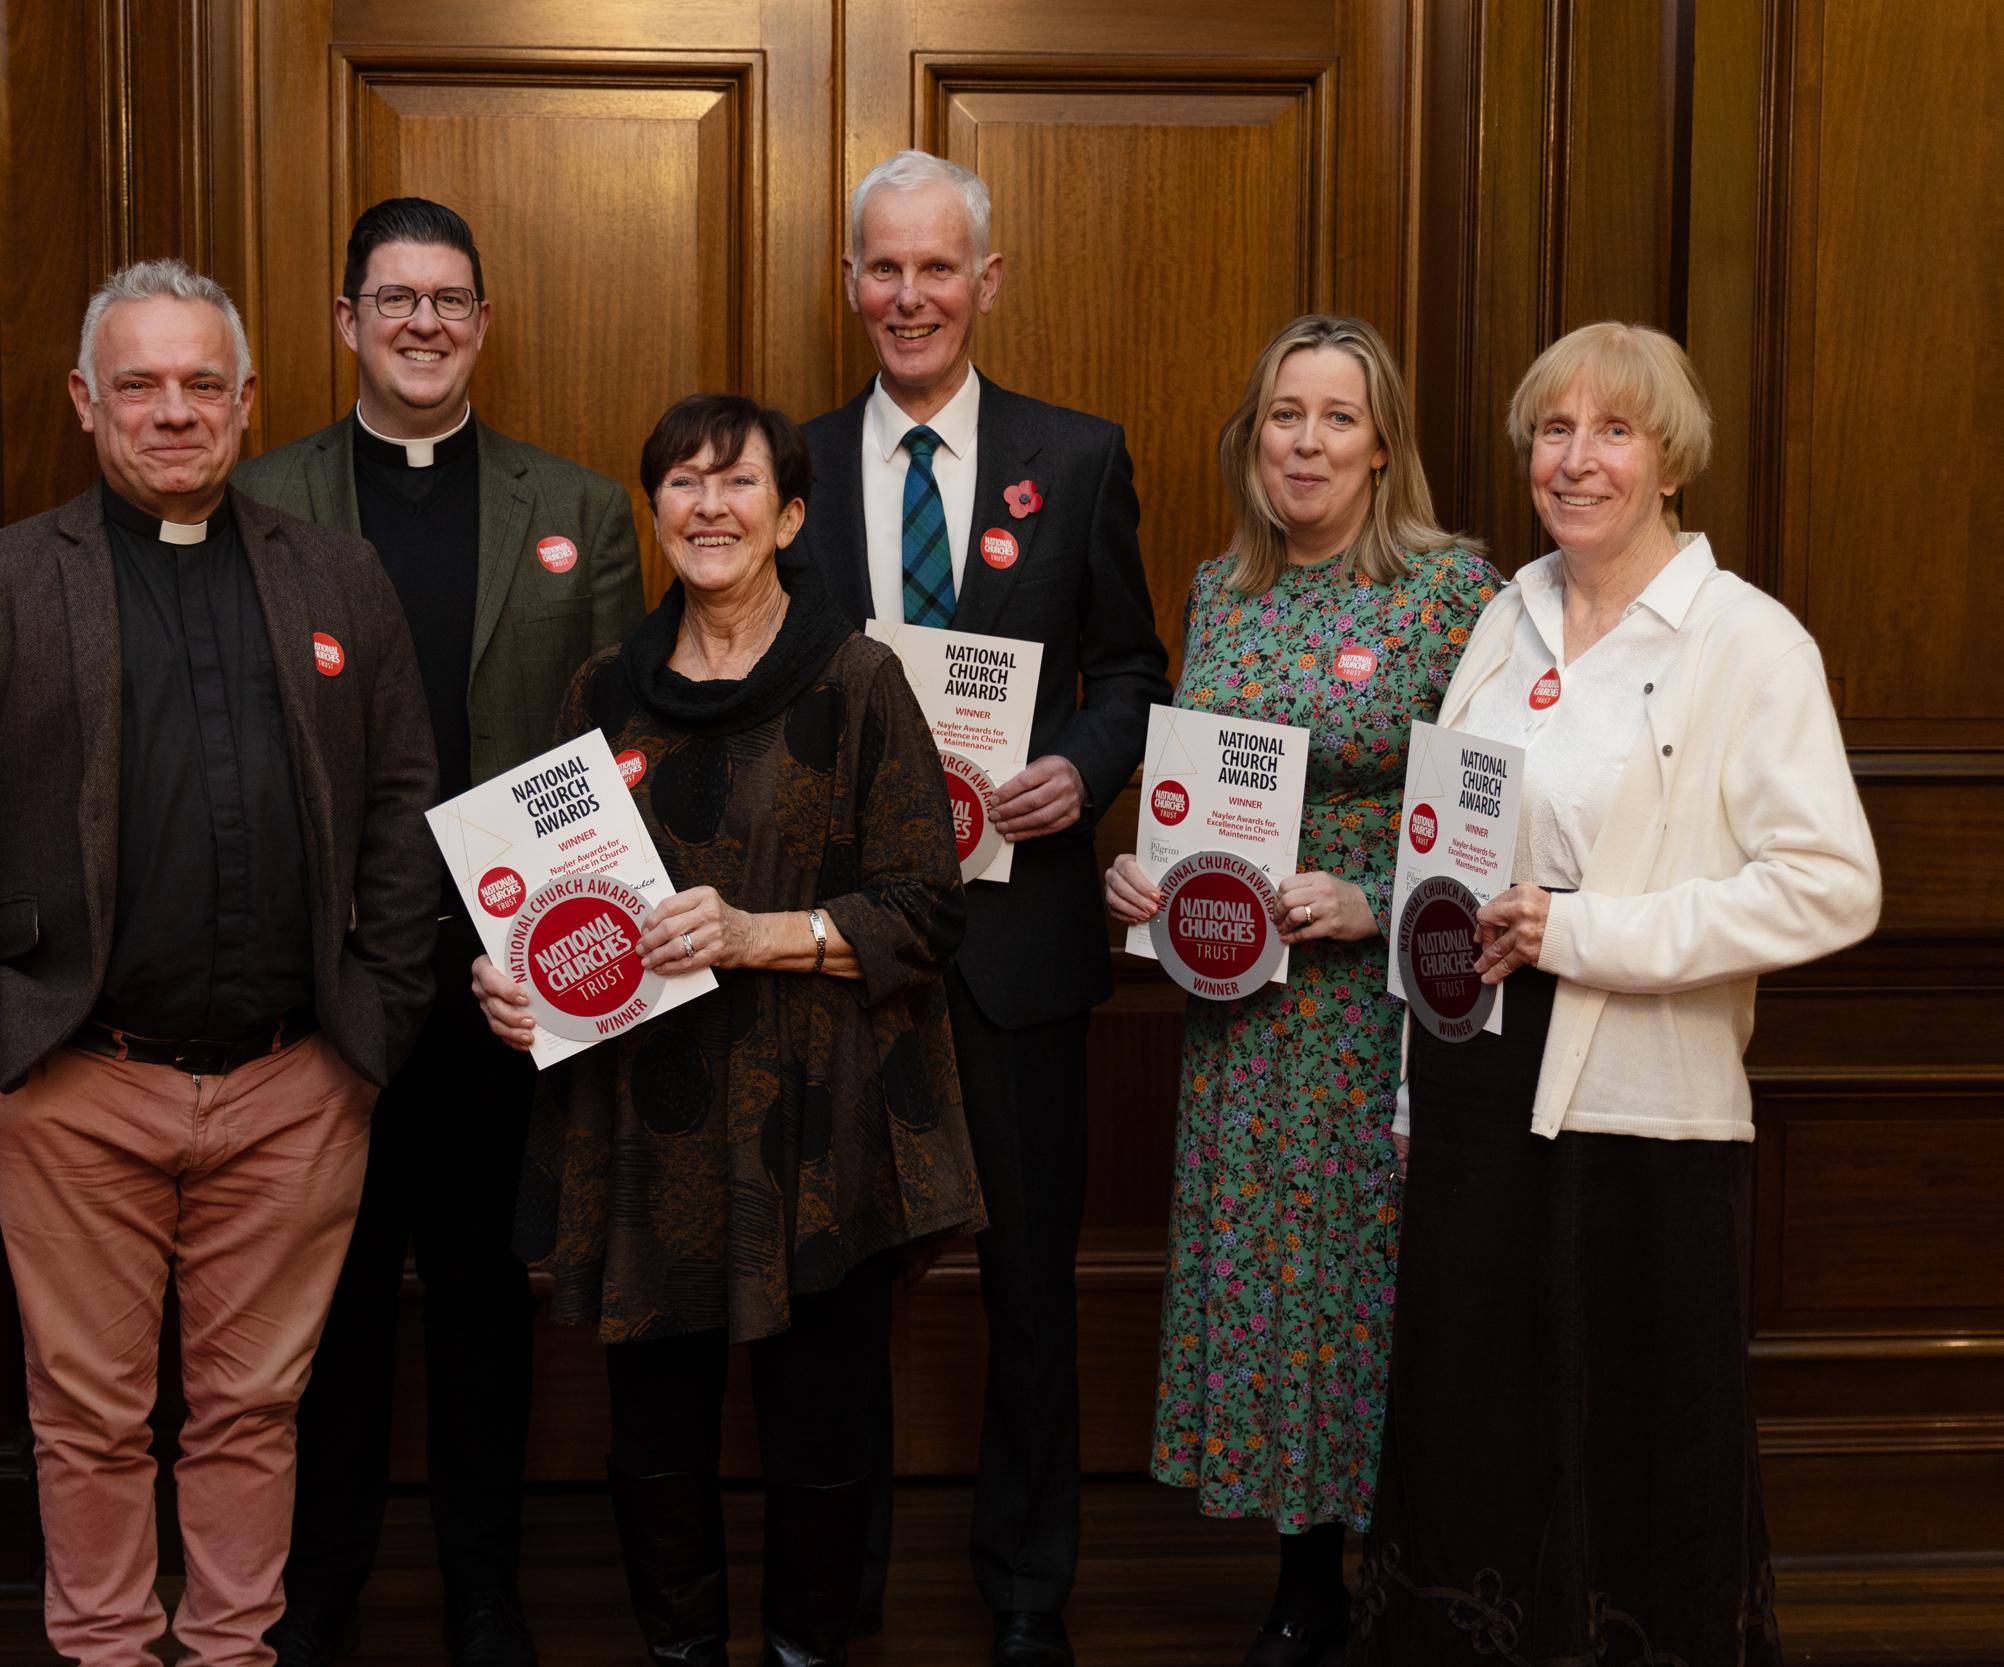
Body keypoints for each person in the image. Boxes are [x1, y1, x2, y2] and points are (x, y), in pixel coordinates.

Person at [0, 258, 440, 1667]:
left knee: (256, 1412)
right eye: (140, 383)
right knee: (87, 1419)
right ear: (86, 400)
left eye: (202, 383)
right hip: (76, 1087)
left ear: (248, 399)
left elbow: (399, 809)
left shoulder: (338, 574)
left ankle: (236, 1653)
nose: (173, 410)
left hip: (295, 1089)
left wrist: (367, 1035)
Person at [1347, 323, 1880, 1665]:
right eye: (1553, 431)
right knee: (1473, 1422)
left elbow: (1832, 884)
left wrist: (1591, 931)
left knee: (1639, 1436)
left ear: (1670, 458)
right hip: (1474, 1086)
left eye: (1613, 432)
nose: (1575, 461)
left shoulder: (1746, 641)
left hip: (1638, 1103)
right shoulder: (1501, 612)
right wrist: (1414, 1079)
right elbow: (1442, 861)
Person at [475, 394, 985, 1667]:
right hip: (644, 1120)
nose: (710, 505)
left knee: (816, 1433)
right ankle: (681, 1651)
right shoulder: (603, 692)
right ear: (652, 515)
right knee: (654, 1434)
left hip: (818, 1124)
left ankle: (807, 1652)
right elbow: (545, 905)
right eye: (683, 484)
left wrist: (764, 931)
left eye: (738, 482)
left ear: (790, 512)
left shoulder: (860, 679)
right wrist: (517, 984)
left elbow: (928, 912)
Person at [234, 196, 644, 1667]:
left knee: (482, 1291)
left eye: (450, 300)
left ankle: (486, 1586)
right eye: (393, 299)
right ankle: (316, 1583)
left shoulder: (580, 506)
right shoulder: (262, 491)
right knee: (325, 1298)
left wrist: (545, 944)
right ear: (346, 320)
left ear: (484, 320)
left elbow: (605, 739)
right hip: (320, 972)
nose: (423, 323)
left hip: (503, 982)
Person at [790, 149, 1171, 1667]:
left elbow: (1134, 668)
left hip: (1022, 944)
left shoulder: (1073, 459)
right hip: (850, 952)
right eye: (882, 268)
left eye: (936, 268)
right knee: (844, 1298)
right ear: (851, 283)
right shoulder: (794, 466)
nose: (908, 296)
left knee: (1028, 1288)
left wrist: (1082, 770)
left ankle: (1028, 1587)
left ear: (986, 281)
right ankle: (841, 1586)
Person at [1099, 316, 1497, 1666]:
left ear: (1383, 444)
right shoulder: (1227, 587)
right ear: (1253, 437)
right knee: (1274, 1288)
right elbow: (1202, 788)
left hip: (1389, 1009)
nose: (1307, 441)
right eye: (1285, 414)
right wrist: (1148, 879)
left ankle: (1416, 1578)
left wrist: (1376, 897)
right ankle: (1302, 1576)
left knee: (1379, 1291)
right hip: (1247, 1017)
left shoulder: (1455, 590)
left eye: (1336, 416)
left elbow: (1502, 807)